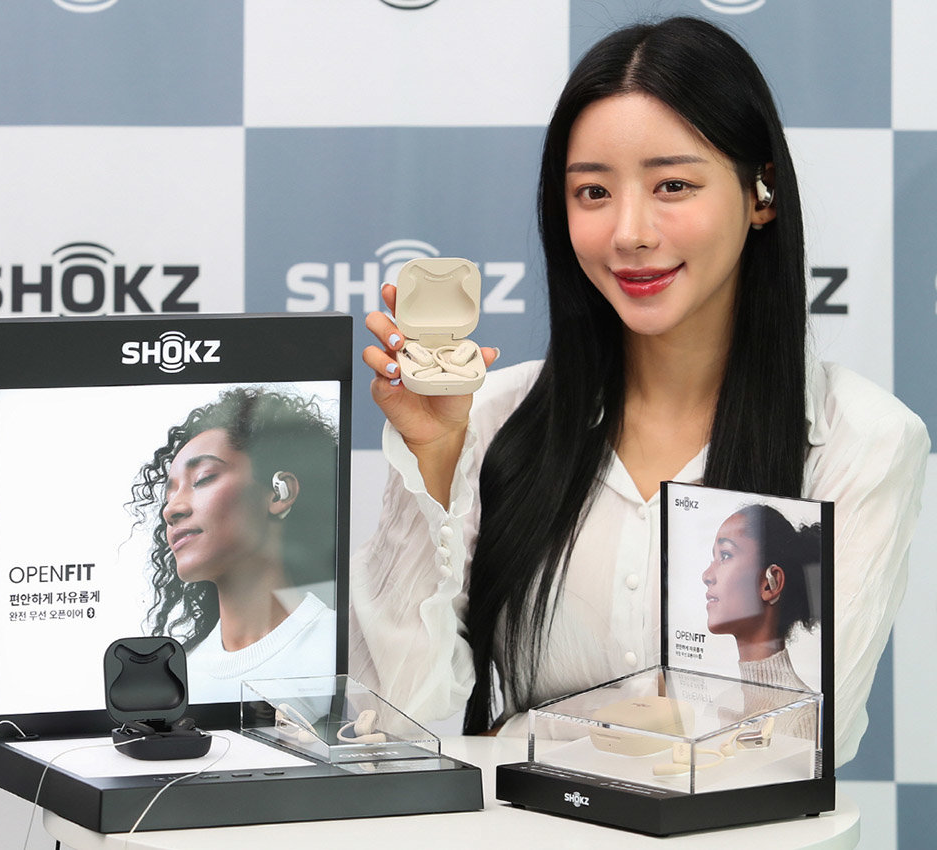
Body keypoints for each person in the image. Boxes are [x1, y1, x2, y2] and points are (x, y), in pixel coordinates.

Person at [351, 16, 929, 767]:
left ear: (762, 192)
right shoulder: (491, 419)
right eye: (592, 191)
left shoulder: (861, 440)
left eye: (673, 186)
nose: (629, 232)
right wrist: (433, 459)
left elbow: (794, 744)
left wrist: (516, 735)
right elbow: (390, 724)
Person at [129, 386, 340, 703]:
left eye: (203, 478)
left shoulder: (339, 648)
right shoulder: (182, 677)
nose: (171, 510)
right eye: (169, 494)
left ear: (279, 492)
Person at [703, 504, 823, 741]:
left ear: (770, 583)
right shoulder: (720, 705)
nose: (706, 575)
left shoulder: (802, 717)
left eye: (725, 556)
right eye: (714, 558)